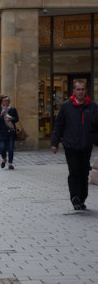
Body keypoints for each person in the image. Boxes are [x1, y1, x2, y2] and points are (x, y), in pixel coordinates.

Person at [51, 80, 98, 210]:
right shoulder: (66, 106)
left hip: (86, 145)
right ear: (74, 91)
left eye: (83, 89)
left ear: (86, 91)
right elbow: (59, 125)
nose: (80, 92)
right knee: (74, 171)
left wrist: (95, 139)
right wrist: (55, 143)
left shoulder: (92, 107)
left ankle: (82, 197)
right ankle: (75, 197)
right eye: (78, 89)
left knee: (83, 172)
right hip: (70, 145)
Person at [0, 95, 19, 170]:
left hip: (11, 131)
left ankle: (10, 163)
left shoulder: (12, 109)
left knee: (11, 148)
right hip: (2, 131)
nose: (6, 102)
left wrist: (11, 118)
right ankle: (4, 158)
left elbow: (17, 119)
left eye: (7, 100)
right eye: (4, 101)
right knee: (2, 147)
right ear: (2, 102)